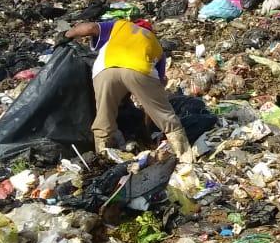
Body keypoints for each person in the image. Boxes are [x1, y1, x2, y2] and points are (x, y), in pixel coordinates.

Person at [62, 18, 193, 159]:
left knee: (104, 117)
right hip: (139, 69)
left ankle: (103, 158)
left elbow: (89, 27)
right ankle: (184, 156)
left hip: (105, 71)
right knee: (165, 116)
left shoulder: (120, 25)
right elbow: (158, 87)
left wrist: (66, 34)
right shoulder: (156, 44)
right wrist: (148, 126)